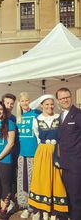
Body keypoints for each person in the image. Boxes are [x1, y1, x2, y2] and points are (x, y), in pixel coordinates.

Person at [28, 94, 68, 220]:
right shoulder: (37, 120)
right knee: (43, 179)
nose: (50, 106)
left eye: (51, 104)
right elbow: (37, 137)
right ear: (42, 106)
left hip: (57, 151)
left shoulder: (59, 117)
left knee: (57, 180)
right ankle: (44, 210)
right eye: (47, 104)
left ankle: (54, 211)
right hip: (43, 152)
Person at [56, 87, 81, 220]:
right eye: (61, 98)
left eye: (67, 97)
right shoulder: (61, 115)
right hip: (64, 163)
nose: (65, 100)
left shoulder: (78, 114)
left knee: (76, 195)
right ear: (58, 101)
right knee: (67, 193)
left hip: (76, 163)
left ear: (71, 97)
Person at [16, 92, 41, 219]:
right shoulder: (18, 117)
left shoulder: (36, 114)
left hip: (34, 153)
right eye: (22, 101)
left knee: (33, 181)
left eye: (27, 100)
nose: (25, 103)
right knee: (23, 182)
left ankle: (35, 208)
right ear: (19, 102)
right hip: (22, 155)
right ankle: (26, 206)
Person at [2, 93, 17, 212]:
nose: (9, 105)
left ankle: (10, 199)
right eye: (7, 103)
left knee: (11, 177)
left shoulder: (14, 118)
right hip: (0, 154)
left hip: (12, 152)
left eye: (11, 103)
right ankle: (2, 200)